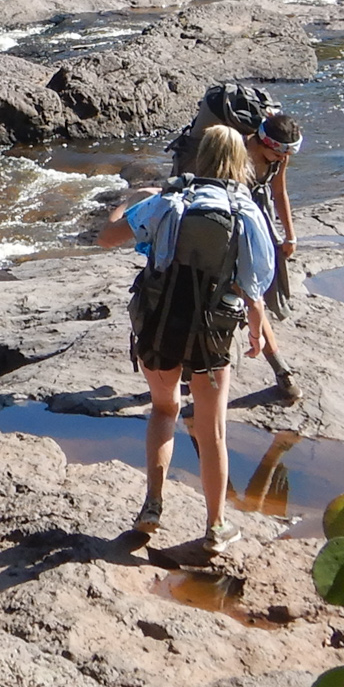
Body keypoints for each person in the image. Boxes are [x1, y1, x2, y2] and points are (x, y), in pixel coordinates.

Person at [123, 122, 278, 564]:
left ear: (199, 156)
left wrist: (125, 206)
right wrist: (255, 331)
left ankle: (153, 505)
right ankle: (215, 527)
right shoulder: (246, 212)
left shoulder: (169, 200)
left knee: (164, 410)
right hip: (212, 332)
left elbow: (113, 237)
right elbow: (255, 285)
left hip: (160, 325)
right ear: (240, 162)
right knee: (212, 432)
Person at [173, 85, 305, 405]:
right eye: (278, 154)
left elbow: (279, 192)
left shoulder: (278, 156)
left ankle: (280, 373)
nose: (282, 160)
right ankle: (281, 373)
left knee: (246, 294)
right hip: (223, 222)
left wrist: (289, 235)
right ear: (261, 141)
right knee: (233, 295)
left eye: (287, 155)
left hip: (248, 218)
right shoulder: (234, 152)